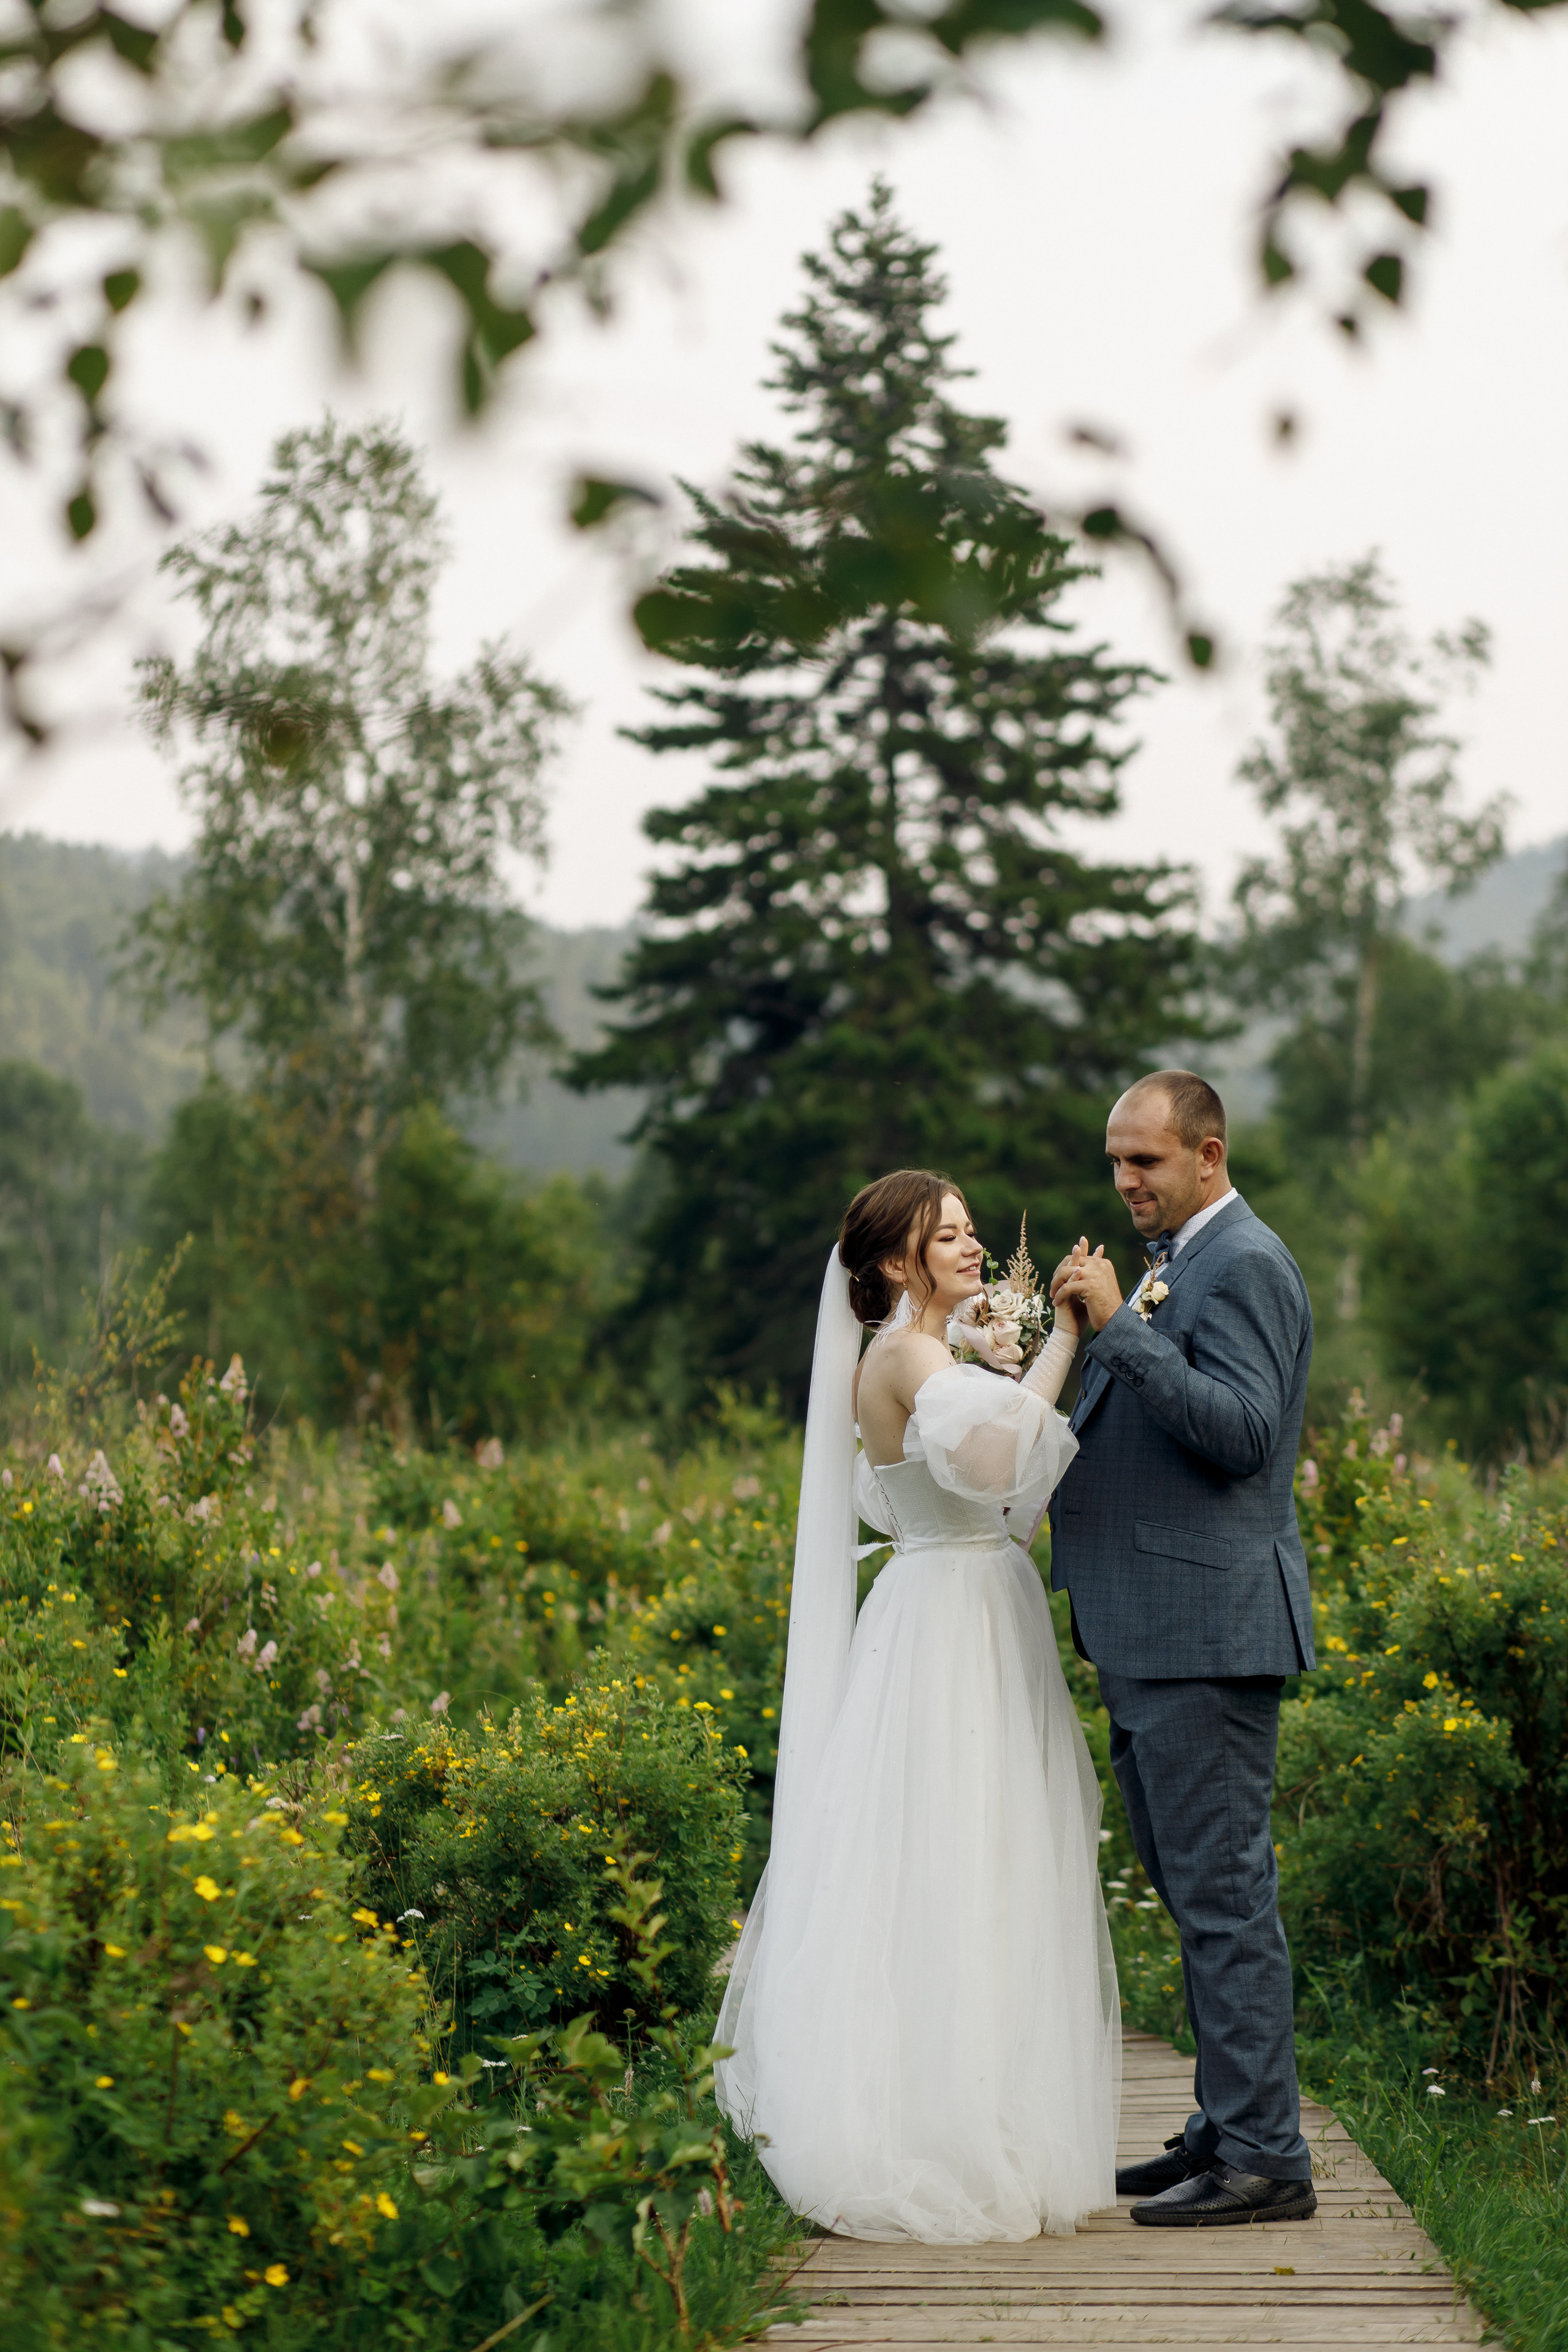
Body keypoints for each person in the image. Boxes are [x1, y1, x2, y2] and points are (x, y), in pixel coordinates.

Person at [715, 1170, 1120, 2243]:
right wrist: (1069, 1337)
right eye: (950, 1237)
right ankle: (937, 2129)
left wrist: (1021, 1356)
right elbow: (995, 1460)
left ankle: (985, 2109)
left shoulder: (932, 1354)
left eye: (975, 1233)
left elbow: (1002, 1484)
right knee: (953, 1857)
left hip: (973, 1606)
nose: (974, 1248)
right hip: (949, 1625)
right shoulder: (904, 1352)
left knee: (994, 1858)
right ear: (897, 1261)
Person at [1048, 1069, 1317, 2228]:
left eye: (1145, 1162)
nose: (1125, 1182)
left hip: (1204, 1630)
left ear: (1208, 1155)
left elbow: (1245, 1435)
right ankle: (1227, 2122)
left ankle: (1267, 2157)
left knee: (1223, 1897)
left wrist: (1117, 1331)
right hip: (1154, 1628)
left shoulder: (1244, 1261)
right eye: (1115, 1162)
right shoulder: (1175, 1261)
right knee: (1194, 1886)